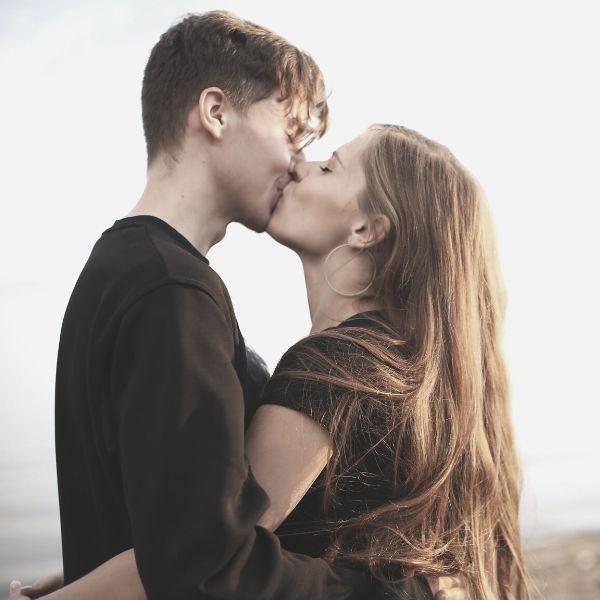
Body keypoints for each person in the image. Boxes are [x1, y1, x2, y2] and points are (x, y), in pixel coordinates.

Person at [8, 10, 464, 600]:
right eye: (290, 133)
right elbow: (205, 566)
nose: (295, 161)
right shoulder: (171, 291)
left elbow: (177, 525)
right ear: (216, 113)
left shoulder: (132, 270)